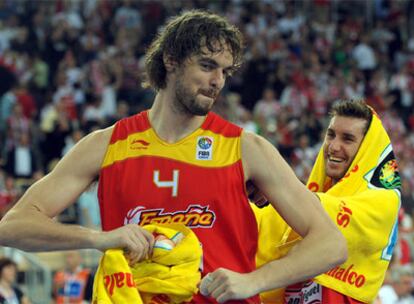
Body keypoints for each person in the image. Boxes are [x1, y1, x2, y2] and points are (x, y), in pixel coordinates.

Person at [0, 10, 347, 303]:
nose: (217, 81)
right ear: (171, 60)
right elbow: (12, 226)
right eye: (208, 65)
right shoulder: (107, 144)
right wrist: (97, 238)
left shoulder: (246, 148)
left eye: (225, 71)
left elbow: (330, 243)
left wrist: (254, 280)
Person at [252, 100, 401, 303]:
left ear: (367, 149)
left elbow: (326, 216)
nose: (333, 146)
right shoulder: (308, 198)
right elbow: (267, 218)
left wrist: (270, 180)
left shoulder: (386, 199)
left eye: (347, 139)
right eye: (331, 135)